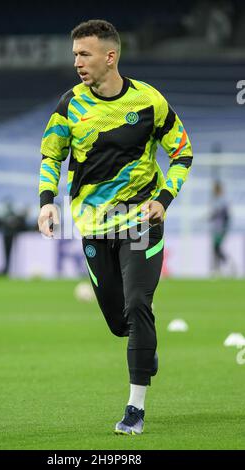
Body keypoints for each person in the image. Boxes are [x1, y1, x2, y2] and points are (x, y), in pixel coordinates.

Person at [38, 19, 193, 435]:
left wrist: (163, 200)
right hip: (92, 226)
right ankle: (144, 339)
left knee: (138, 302)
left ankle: (134, 410)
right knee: (119, 320)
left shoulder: (149, 102)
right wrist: (46, 203)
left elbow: (182, 153)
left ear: (110, 56)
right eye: (74, 55)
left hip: (140, 221)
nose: (77, 63)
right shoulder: (68, 106)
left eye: (84, 54)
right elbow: (51, 157)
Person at [210, 181, 231, 276]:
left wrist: (224, 227)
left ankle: (228, 263)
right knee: (216, 248)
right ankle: (218, 268)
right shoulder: (217, 200)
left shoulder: (222, 201)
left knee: (216, 248)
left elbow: (226, 215)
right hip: (217, 228)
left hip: (221, 228)